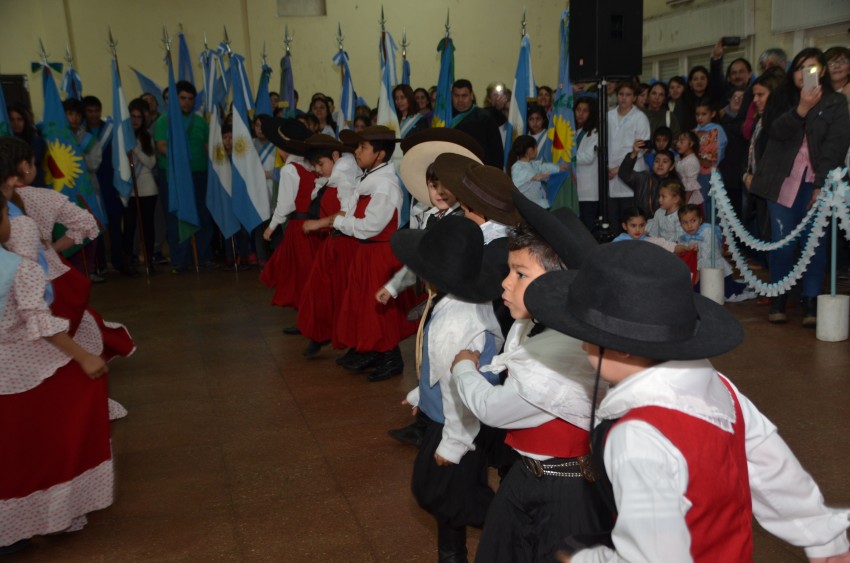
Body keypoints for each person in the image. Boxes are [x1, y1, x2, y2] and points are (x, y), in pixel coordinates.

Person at [523, 241, 850, 563]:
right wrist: (824, 536)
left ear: (620, 347)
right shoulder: (717, 385)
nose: (583, 348)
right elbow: (770, 467)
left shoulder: (636, 436)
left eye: (588, 339)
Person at [451, 193, 610, 563]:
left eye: (520, 274)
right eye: (509, 271)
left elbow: (495, 408)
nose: (505, 284)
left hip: (566, 488)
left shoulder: (562, 351)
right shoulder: (527, 325)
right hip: (526, 473)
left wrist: (463, 366)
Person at [0, 189, 113, 555]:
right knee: (43, 440)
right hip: (22, 372)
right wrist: (84, 357)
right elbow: (43, 325)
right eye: (5, 216)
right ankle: (51, 511)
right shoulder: (20, 269)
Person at [391, 216, 504, 563]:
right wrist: (421, 396)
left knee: (440, 492)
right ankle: (451, 555)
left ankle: (512, 527)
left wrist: (453, 443)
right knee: (451, 495)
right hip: (452, 415)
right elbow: (438, 367)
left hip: (459, 423)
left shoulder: (457, 320)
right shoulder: (460, 303)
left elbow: (459, 388)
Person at [750, 47, 850, 327]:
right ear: (793, 72)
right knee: (783, 243)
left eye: (813, 68)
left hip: (816, 182)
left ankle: (810, 301)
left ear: (823, 72)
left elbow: (835, 145)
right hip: (782, 181)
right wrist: (802, 108)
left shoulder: (835, 103)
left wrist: (821, 184)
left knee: (814, 243)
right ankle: (779, 297)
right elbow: (775, 132)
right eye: (800, 68)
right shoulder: (780, 98)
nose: (805, 73)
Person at [331, 126, 418, 381]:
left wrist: (339, 223)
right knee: (366, 305)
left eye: (362, 148)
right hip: (368, 251)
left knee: (381, 309)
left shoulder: (385, 185)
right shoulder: (370, 178)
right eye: (357, 147)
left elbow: (371, 226)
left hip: (379, 252)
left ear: (380, 154)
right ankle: (374, 350)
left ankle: (391, 358)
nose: (356, 152)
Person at [296, 134, 361, 357]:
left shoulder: (345, 177)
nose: (317, 170)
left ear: (335, 156)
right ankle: (320, 334)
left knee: (344, 296)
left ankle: (352, 343)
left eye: (321, 164)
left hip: (347, 245)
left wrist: (317, 224)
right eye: (315, 165)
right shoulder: (332, 179)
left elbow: (348, 212)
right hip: (332, 244)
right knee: (319, 292)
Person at [259, 118, 319, 330]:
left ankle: (307, 318)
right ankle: (308, 315)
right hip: (314, 225)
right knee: (310, 271)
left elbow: (284, 205)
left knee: (300, 273)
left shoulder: (289, 170)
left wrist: (271, 227)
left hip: (298, 228)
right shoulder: (312, 165)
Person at [153, 80, 214, 274]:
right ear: (174, 99)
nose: (186, 102)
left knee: (203, 216)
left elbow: (207, 149)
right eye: (182, 98)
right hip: (174, 178)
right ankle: (180, 260)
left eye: (190, 99)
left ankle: (203, 257)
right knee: (176, 216)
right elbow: (161, 146)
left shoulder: (201, 123)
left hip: (199, 175)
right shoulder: (165, 120)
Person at [678, 203, 755, 301]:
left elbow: (706, 256)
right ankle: (739, 284)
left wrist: (697, 274)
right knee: (699, 294)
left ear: (700, 220)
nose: (689, 226)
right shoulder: (684, 235)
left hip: (714, 267)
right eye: (685, 222)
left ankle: (744, 288)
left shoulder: (707, 231)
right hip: (697, 270)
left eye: (693, 221)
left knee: (729, 296)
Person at [607, 81, 651, 231]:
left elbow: (641, 149)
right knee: (613, 220)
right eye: (621, 94)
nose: (624, 98)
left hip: (630, 174)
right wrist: (607, 168)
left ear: (634, 97)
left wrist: (620, 169)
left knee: (629, 218)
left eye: (628, 95)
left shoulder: (640, 118)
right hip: (610, 175)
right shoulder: (608, 115)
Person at [125, 98, 159, 271]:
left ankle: (149, 258)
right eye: (132, 116)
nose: (135, 120)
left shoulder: (146, 137)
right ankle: (129, 260)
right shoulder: (122, 137)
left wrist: (136, 149)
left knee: (147, 227)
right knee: (129, 226)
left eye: (139, 117)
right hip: (129, 189)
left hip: (147, 188)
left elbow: (151, 162)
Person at [448, 79, 505, 168]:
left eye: (464, 96)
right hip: (454, 168)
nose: (460, 100)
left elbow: (496, 151)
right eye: (456, 96)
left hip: (480, 170)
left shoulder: (485, 118)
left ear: (471, 96)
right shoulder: (446, 119)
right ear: (451, 96)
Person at [618, 142, 678, 216]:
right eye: (657, 161)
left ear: (671, 166)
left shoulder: (675, 185)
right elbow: (624, 174)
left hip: (666, 224)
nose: (660, 165)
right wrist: (634, 153)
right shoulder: (643, 178)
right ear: (653, 164)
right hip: (642, 223)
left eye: (665, 162)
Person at [508, 135, 565, 209]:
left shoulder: (532, 164)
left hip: (538, 204)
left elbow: (543, 167)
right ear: (530, 150)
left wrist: (558, 168)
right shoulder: (517, 167)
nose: (537, 150)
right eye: (536, 148)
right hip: (527, 207)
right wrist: (536, 177)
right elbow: (523, 176)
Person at [694, 100, 729, 215]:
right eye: (697, 114)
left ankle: (714, 232)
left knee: (713, 207)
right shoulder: (695, 131)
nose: (700, 117)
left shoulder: (716, 130)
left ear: (712, 114)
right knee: (700, 206)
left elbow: (710, 158)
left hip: (711, 172)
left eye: (704, 114)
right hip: (697, 173)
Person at [574, 97, 600, 230]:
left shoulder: (594, 132)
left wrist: (568, 158)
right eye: (578, 110)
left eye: (585, 111)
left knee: (588, 227)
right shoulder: (573, 131)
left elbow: (589, 157)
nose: (580, 114)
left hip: (589, 190)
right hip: (575, 187)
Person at [7, 103, 46, 187]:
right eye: (12, 119)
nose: (16, 123)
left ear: (26, 120)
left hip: (35, 185)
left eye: (19, 119)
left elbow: (29, 163)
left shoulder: (36, 140)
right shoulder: (6, 141)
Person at [675, 130, 704, 206]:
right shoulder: (679, 158)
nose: (677, 144)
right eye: (677, 141)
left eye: (681, 142)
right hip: (681, 194)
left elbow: (691, 185)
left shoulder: (692, 161)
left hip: (689, 199)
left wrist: (684, 204)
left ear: (691, 144)